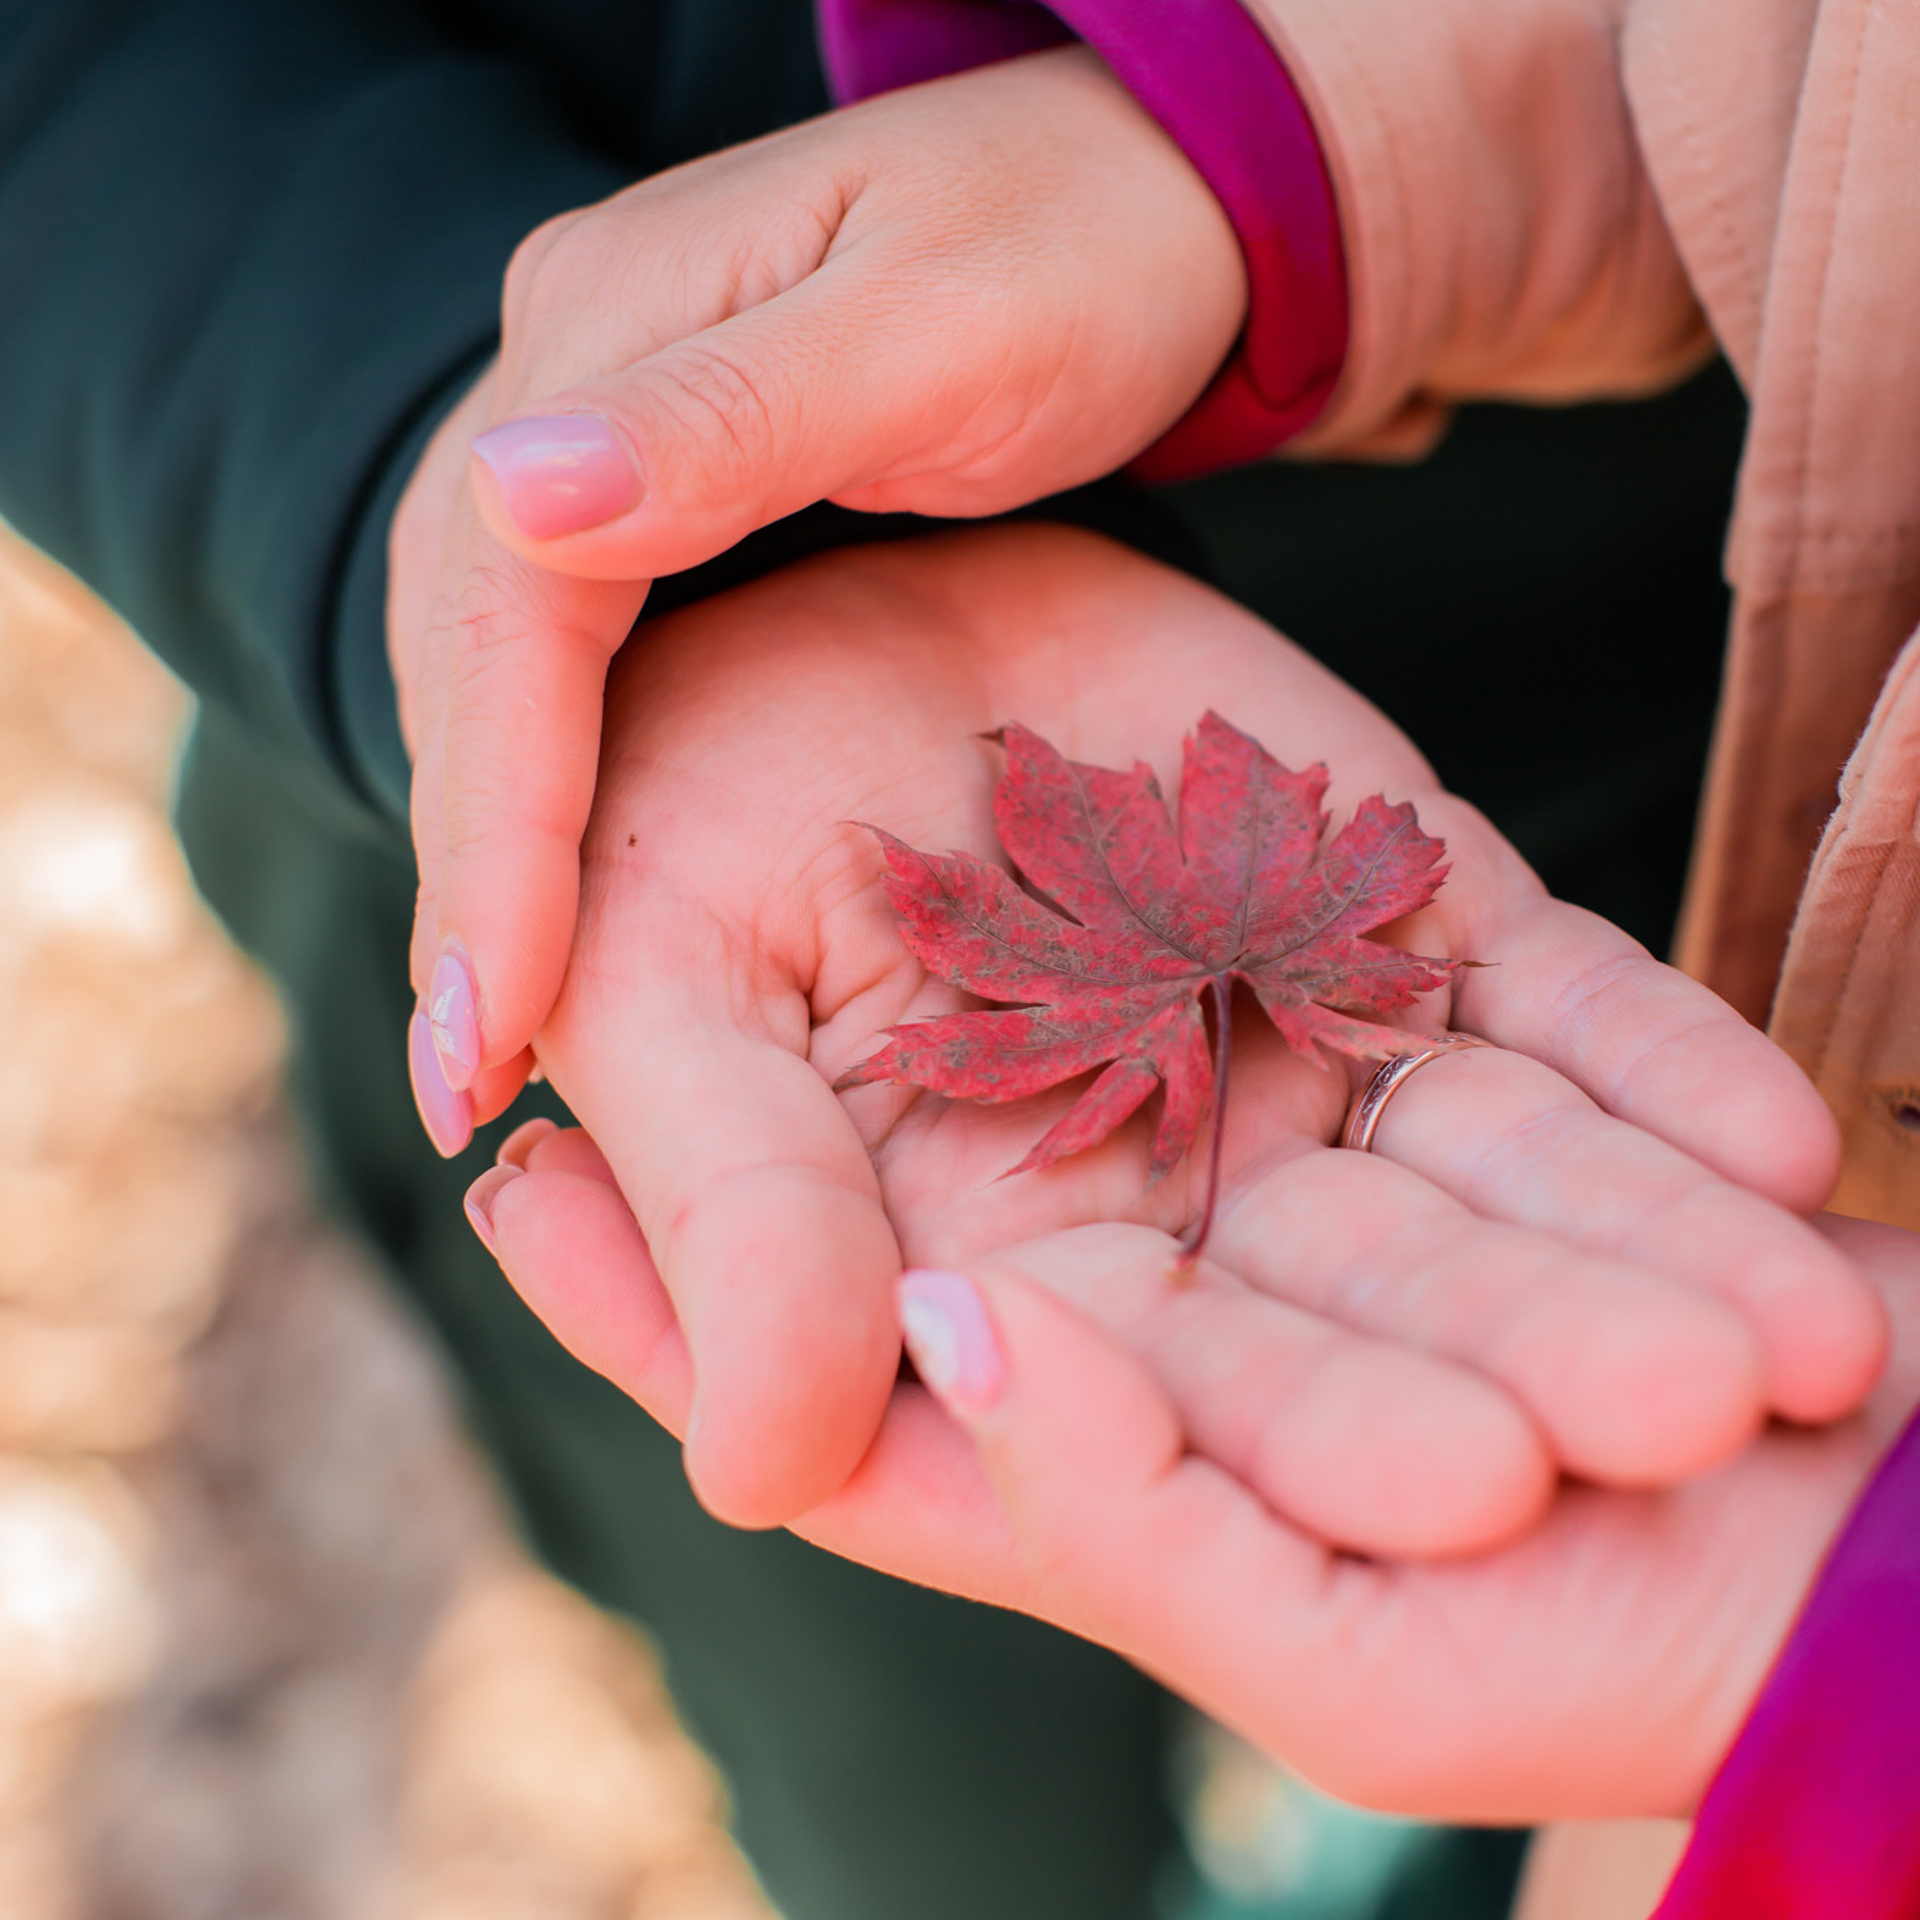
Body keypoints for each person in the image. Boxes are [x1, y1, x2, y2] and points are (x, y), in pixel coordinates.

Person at [0, 7, 1879, 1920]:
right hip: (583, 852)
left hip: (1682, 666)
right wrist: (413, 414)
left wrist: (1287, 146)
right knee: (921, 1746)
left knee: (1524, 1573)